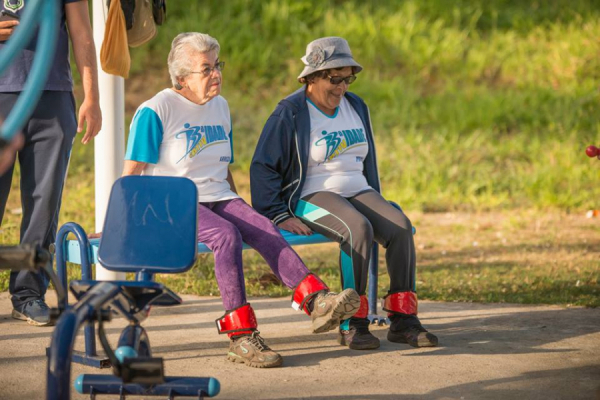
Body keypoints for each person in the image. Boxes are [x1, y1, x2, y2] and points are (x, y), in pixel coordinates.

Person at [122, 32, 360, 368]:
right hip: (171, 201)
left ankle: (317, 301)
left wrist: (240, 207)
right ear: (181, 77)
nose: (216, 74)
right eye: (206, 69)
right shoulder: (156, 109)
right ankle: (241, 337)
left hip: (218, 195)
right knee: (225, 235)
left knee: (262, 226)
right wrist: (124, 223)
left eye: (217, 66)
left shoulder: (221, 106)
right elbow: (131, 174)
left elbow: (222, 167)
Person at [250, 37, 438, 350]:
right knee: (357, 228)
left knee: (401, 228)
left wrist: (373, 197)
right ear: (310, 78)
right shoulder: (290, 112)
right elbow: (262, 167)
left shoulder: (357, 106)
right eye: (334, 79)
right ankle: (353, 323)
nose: (342, 87)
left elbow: (365, 163)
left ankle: (403, 320)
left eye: (348, 78)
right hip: (312, 193)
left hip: (357, 189)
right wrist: (278, 213)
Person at [0, 0, 102, 326]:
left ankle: (28, 294)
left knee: (44, 203)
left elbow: (81, 31)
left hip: (52, 94)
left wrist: (92, 97)